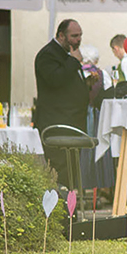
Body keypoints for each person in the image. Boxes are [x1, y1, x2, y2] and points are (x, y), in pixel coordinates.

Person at [35, 18, 92, 185]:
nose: (78, 40)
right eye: (74, 36)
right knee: (60, 171)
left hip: (72, 122)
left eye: (80, 35)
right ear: (61, 35)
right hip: (57, 123)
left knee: (71, 170)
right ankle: (61, 201)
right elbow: (55, 80)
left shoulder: (67, 54)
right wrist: (74, 61)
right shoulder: (48, 55)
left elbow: (67, 83)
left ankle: (70, 201)